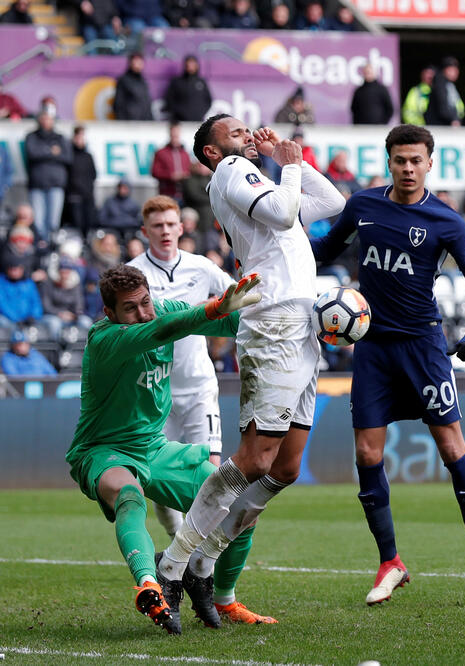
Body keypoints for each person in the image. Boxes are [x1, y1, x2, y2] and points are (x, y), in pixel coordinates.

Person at [153, 116, 346, 607]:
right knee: (254, 460)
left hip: (302, 327)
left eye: (246, 129)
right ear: (212, 153)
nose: (245, 134)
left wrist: (291, 160)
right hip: (275, 324)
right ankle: (174, 564)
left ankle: (204, 560)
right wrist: (286, 168)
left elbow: (331, 204)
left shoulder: (258, 179)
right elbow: (284, 214)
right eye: (234, 132)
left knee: (284, 468)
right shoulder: (232, 170)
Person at [311, 124, 465, 604]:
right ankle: (390, 562)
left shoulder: (446, 221)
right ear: (389, 161)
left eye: (416, 160)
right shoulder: (363, 206)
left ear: (429, 163)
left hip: (423, 347)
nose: (408, 168)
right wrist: (273, 249)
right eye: (400, 160)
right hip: (372, 347)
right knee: (367, 455)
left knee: (451, 447)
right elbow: (323, 252)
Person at [65, 264, 264, 634]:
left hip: (155, 449)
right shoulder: (103, 340)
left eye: (146, 302)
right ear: (110, 313)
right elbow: (161, 331)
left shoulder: (163, 309)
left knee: (240, 506)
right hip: (104, 450)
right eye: (130, 308)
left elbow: (225, 325)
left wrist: (276, 320)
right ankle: (149, 583)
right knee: (129, 496)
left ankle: (219, 594)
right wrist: (213, 307)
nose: (143, 312)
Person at [126, 196, 235, 544]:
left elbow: (235, 296)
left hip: (199, 384)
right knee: (158, 484)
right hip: (154, 393)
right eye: (157, 226)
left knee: (211, 474)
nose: (165, 231)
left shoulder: (201, 267)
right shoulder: (132, 273)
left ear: (182, 227)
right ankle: (178, 541)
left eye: (171, 224)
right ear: (145, 231)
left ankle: (198, 555)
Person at [24, 111, 71, 243]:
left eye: (49, 119)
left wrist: (44, 152)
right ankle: (41, 247)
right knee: (38, 221)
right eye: (43, 118)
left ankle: (52, 249)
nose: (46, 121)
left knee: (53, 221)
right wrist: (51, 152)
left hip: (56, 184)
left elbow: (67, 158)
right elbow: (32, 153)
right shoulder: (32, 136)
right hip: (36, 184)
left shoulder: (60, 138)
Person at [64, 126, 98, 236]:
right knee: (77, 223)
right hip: (74, 195)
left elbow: (93, 174)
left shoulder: (88, 156)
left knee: (89, 222)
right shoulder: (69, 156)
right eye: (78, 137)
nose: (80, 140)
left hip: (87, 195)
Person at [163, 55, 213, 123]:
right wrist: (179, 113)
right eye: (188, 64)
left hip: (197, 122)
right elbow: (169, 100)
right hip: (179, 122)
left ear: (197, 66)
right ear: (185, 65)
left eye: (193, 64)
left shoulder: (201, 82)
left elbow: (208, 101)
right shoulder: (177, 82)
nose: (190, 66)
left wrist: (200, 113)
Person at [151, 122, 192, 202]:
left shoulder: (185, 153)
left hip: (184, 194)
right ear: (169, 134)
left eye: (177, 135)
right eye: (173, 135)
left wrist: (186, 175)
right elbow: (155, 172)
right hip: (167, 193)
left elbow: (189, 170)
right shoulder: (161, 152)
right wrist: (171, 176)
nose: (175, 137)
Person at [424, 56, 464, 127]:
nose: (456, 72)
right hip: (438, 126)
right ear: (445, 70)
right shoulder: (440, 83)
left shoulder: (449, 84)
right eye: (452, 70)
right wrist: (454, 119)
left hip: (442, 125)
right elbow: (443, 107)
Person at [113, 53, 153, 121]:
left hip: (144, 123)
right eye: (136, 61)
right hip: (129, 124)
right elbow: (118, 104)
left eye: (140, 62)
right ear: (130, 63)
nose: (138, 64)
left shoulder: (143, 81)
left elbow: (146, 103)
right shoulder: (124, 80)